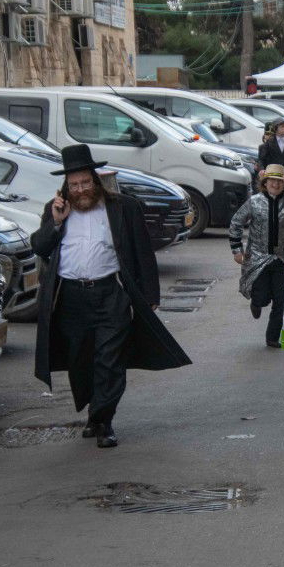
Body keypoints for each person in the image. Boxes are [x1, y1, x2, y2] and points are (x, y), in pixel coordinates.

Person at [31, 144, 192, 449]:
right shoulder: (56, 210)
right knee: (80, 361)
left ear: (96, 180)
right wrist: (55, 222)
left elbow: (142, 253)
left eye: (85, 183)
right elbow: (39, 247)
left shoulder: (123, 207)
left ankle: (104, 421)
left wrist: (149, 295)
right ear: (67, 186)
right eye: (74, 185)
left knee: (111, 361)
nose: (80, 190)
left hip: (110, 294)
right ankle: (94, 412)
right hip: (70, 299)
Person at [230, 165, 284, 347]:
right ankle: (256, 303)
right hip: (257, 259)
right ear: (265, 182)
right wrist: (237, 250)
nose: (275, 184)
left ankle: (272, 337)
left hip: (281, 259)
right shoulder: (254, 201)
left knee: (281, 300)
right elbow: (236, 222)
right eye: (272, 180)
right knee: (262, 298)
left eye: (279, 181)